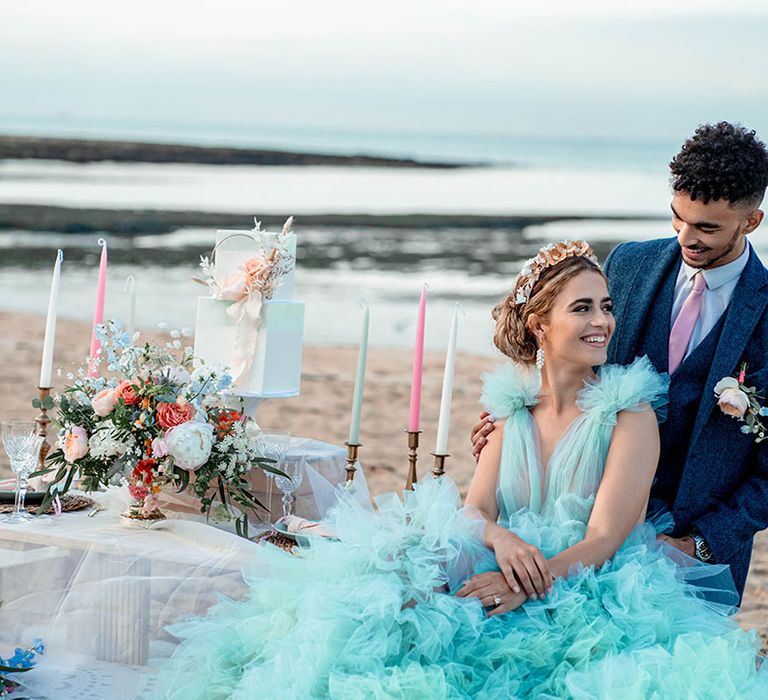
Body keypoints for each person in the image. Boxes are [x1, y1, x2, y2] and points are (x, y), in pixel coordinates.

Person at [156, 241, 768, 699]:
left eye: (607, 306)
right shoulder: (511, 410)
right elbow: (477, 508)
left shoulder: (630, 414)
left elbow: (607, 537)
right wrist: (498, 538)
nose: (604, 322)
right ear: (540, 324)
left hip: (587, 579)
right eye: (583, 309)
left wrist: (526, 580)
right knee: (388, 597)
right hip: (504, 555)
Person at [473, 121, 768, 601]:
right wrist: (511, 435)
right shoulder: (629, 264)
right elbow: (578, 370)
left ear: (750, 221)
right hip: (581, 538)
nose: (685, 237)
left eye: (707, 227)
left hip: (690, 563)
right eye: (678, 217)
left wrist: (703, 543)